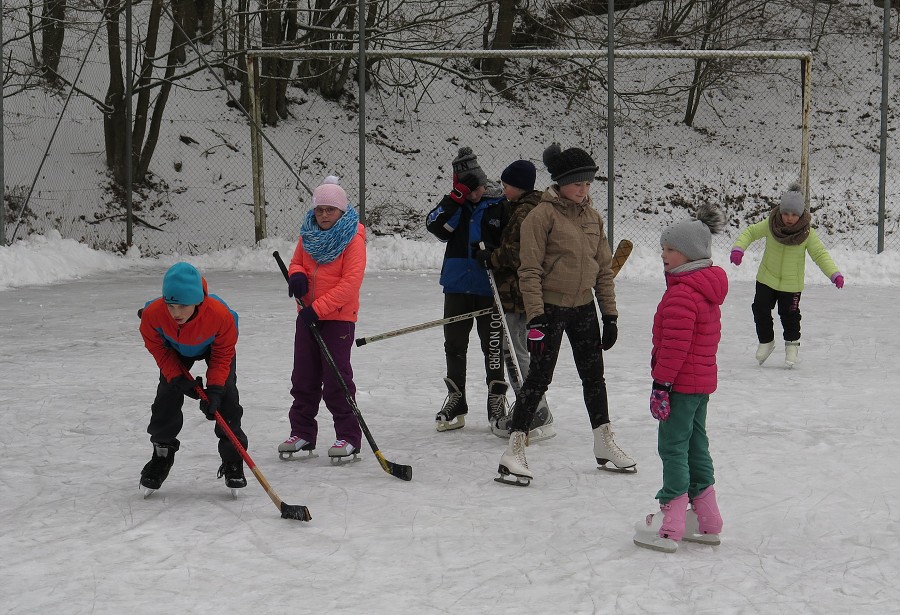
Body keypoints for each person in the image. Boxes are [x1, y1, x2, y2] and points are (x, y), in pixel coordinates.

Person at [496, 143, 634, 486]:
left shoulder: (592, 217)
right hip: (550, 308)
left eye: (588, 184)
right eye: (577, 184)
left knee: (594, 377)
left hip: (583, 306)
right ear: (560, 182)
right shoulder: (540, 216)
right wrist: (536, 317)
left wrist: (610, 315)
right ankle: (514, 449)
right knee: (539, 378)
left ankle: (604, 442)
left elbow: (603, 270)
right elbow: (528, 271)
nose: (583, 190)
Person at [633, 204, 728, 553]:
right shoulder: (705, 290)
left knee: (672, 447)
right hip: (700, 385)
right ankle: (709, 519)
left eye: (670, 249)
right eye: (663, 248)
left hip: (680, 385)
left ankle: (670, 522)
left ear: (689, 253)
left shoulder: (682, 294)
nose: (663, 254)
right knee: (695, 445)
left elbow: (674, 347)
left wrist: (661, 385)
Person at [138, 262, 247, 494]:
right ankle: (162, 454)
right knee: (167, 395)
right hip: (175, 349)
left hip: (213, 349)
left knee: (227, 398)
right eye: (171, 304)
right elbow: (158, 350)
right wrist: (177, 379)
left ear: (198, 300)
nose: (175, 313)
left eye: (183, 305)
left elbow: (222, 356)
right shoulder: (153, 315)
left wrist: (215, 390)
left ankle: (233, 460)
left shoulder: (221, 317)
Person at [278, 176, 366, 463]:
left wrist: (316, 309)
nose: (324, 215)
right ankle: (302, 432)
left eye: (330, 210)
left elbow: (349, 284)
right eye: (320, 209)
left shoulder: (353, 239)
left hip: (337, 318)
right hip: (308, 316)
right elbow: (297, 262)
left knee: (336, 378)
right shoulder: (308, 235)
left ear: (341, 211)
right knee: (303, 376)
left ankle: (349, 436)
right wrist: (297, 276)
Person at [472, 159, 555, 442]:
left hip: (519, 293)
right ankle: (529, 406)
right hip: (521, 292)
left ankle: (533, 408)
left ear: (518, 186)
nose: (504, 190)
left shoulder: (523, 212)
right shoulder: (530, 207)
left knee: (517, 348)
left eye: (507, 185)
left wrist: (490, 257)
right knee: (517, 346)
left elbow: (518, 253)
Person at [426, 147, 507, 432]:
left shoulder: (499, 203)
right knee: (455, 345)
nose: (474, 194)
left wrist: (496, 257)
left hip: (489, 288)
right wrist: (455, 199)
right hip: (457, 285)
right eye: (466, 189)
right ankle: (456, 398)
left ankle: (496, 399)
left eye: (476, 188)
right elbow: (435, 227)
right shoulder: (455, 203)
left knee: (493, 346)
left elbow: (511, 242)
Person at [730, 182, 844, 368]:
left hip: (791, 285)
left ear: (800, 215)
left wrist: (834, 274)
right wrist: (738, 248)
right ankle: (766, 342)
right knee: (760, 309)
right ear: (780, 211)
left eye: (794, 214)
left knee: (789, 315)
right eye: (786, 213)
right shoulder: (770, 224)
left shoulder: (807, 234)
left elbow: (820, 254)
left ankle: (792, 346)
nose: (789, 218)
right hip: (767, 278)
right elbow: (750, 232)